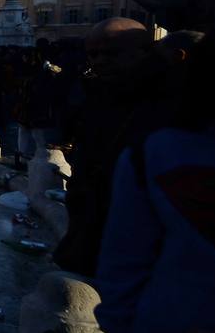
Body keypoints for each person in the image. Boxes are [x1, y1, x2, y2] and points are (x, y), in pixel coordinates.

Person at [95, 27, 215, 333]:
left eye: (110, 54)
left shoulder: (158, 150)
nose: (100, 63)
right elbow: (122, 268)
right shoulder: (156, 149)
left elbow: (121, 268)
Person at [54, 17, 154, 276]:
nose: (99, 60)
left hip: (132, 239)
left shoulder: (162, 108)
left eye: (111, 53)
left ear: (144, 53)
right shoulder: (96, 91)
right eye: (93, 54)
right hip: (89, 223)